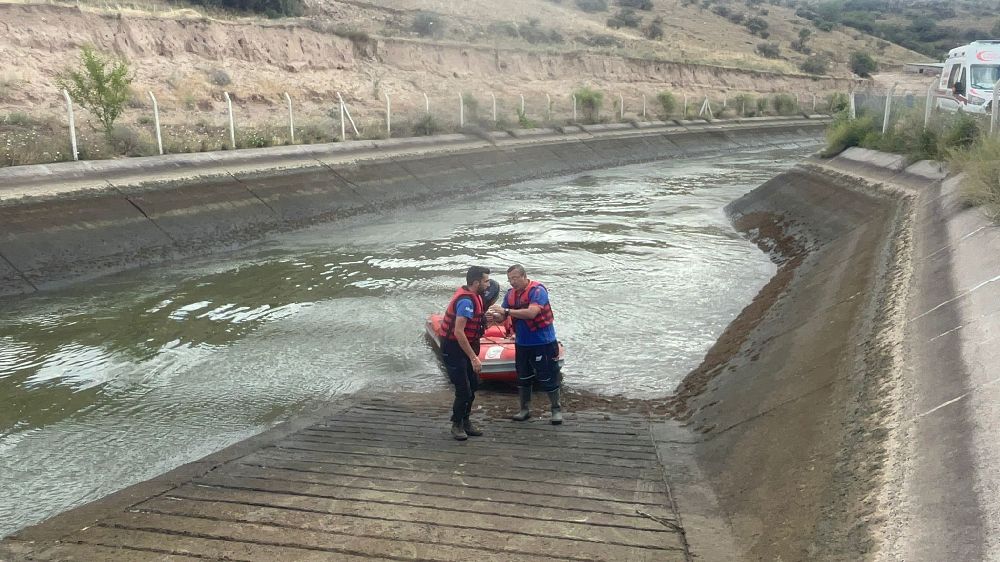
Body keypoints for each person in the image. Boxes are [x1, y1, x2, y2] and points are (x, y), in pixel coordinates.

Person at [494, 264, 563, 425]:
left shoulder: (538, 291)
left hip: (543, 342)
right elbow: (503, 316)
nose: (512, 282)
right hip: (522, 343)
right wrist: (495, 316)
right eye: (509, 279)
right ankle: (524, 409)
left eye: (515, 278)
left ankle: (556, 409)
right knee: (523, 377)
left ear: (524, 277)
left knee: (548, 376)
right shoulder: (510, 294)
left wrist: (507, 312)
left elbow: (532, 313)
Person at [437, 265, 491, 440]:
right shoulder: (466, 301)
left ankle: (466, 421)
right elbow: (459, 332)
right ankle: (457, 424)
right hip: (453, 347)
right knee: (463, 389)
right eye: (486, 281)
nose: (488, 285)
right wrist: (474, 358)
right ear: (476, 282)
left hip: (468, 344)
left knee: (473, 385)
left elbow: (473, 323)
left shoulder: (477, 296)